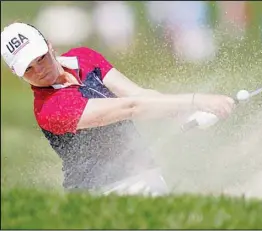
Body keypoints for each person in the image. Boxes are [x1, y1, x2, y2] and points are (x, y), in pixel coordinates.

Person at [1, 22, 235, 196]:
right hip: (103, 194)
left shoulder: (83, 58)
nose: (39, 70)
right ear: (16, 73)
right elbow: (130, 107)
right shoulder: (50, 108)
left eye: (40, 58)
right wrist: (196, 100)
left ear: (49, 45)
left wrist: (179, 113)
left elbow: (138, 95)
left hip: (145, 175)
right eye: (28, 69)